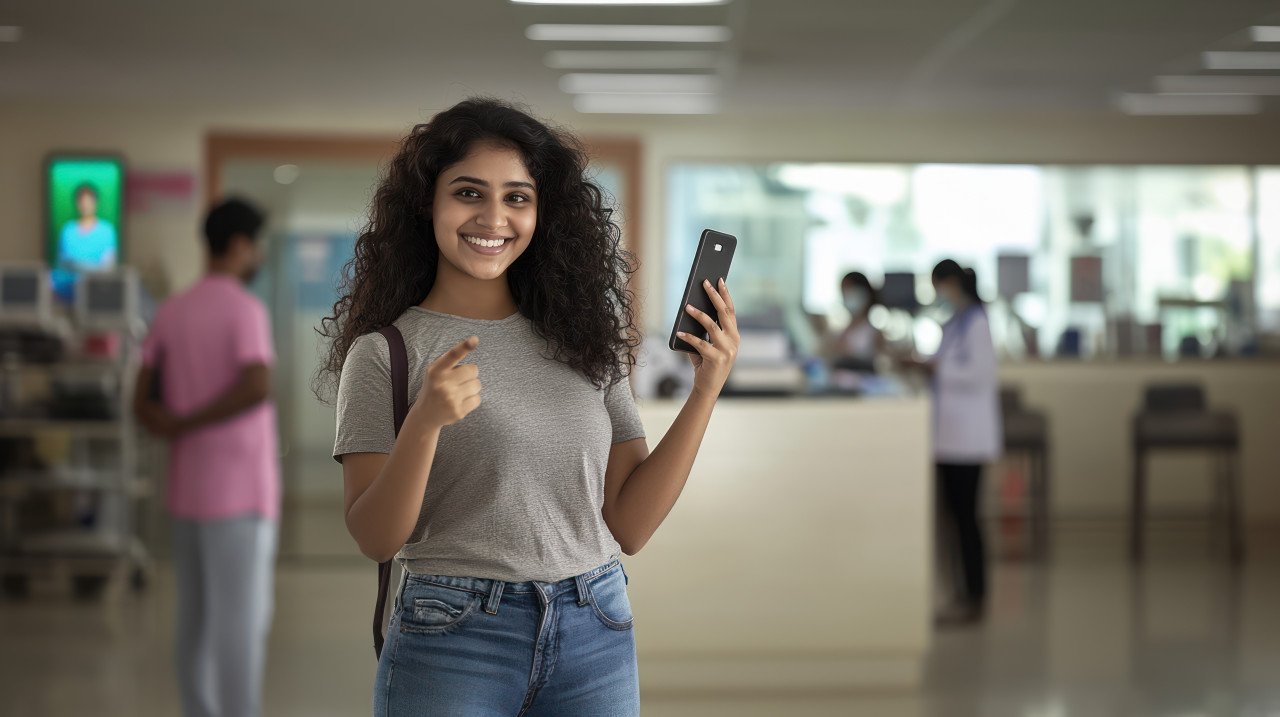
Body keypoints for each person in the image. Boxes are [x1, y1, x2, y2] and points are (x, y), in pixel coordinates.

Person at [319, 97, 740, 716]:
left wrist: (705, 390)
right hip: (452, 634)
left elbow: (631, 523)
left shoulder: (583, 339)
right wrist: (426, 423)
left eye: (517, 197)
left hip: (595, 622)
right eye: (468, 192)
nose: (494, 217)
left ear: (544, 212)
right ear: (426, 204)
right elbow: (376, 537)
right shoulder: (386, 353)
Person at [133, 198, 278, 717]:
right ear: (239, 244)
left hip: (187, 489)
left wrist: (174, 424)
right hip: (239, 495)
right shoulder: (245, 309)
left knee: (192, 619)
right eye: (255, 244)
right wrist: (190, 421)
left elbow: (140, 399)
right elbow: (257, 385)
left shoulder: (173, 310)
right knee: (240, 621)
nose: (257, 254)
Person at [904, 259, 1001, 625]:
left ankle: (975, 596)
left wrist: (935, 368)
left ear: (952, 283)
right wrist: (928, 364)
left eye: (939, 286)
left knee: (966, 520)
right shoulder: (958, 322)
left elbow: (979, 374)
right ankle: (961, 593)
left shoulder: (977, 322)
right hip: (950, 437)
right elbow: (948, 363)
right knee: (954, 520)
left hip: (968, 439)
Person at [54, 182, 118, 300]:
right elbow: (62, 265)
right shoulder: (68, 230)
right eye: (82, 202)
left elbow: (108, 269)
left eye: (88, 202)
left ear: (95, 203)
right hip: (67, 293)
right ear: (77, 204)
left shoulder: (106, 231)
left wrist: (79, 267)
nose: (85, 206)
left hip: (96, 294)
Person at [830, 271, 884, 372]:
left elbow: (880, 365)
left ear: (862, 293)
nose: (845, 296)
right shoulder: (842, 332)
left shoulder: (875, 334)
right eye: (843, 292)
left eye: (849, 291)